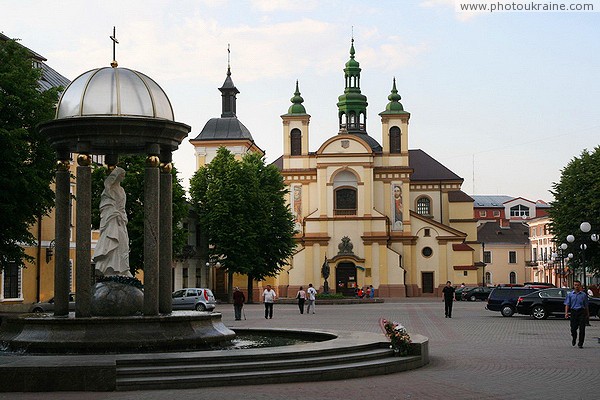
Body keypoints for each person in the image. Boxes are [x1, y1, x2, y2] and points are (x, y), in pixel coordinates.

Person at [93, 166, 131, 277]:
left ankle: (123, 268)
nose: (123, 178)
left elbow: (122, 207)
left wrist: (123, 216)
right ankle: (111, 268)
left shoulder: (122, 190)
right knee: (113, 242)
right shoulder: (109, 189)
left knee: (123, 243)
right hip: (112, 220)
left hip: (121, 220)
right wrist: (116, 214)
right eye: (122, 175)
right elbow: (105, 205)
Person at [564, 280, 589, 348]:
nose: (577, 286)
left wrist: (587, 314)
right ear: (573, 286)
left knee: (582, 329)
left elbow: (586, 305)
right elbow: (567, 304)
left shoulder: (583, 295)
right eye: (575, 285)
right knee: (573, 328)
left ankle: (580, 343)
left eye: (578, 285)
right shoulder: (570, 295)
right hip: (573, 312)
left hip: (581, 312)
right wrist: (566, 313)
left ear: (580, 286)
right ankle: (574, 338)